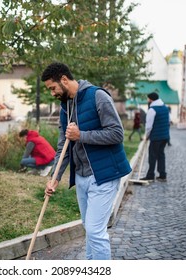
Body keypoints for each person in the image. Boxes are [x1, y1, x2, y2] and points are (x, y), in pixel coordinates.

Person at [41, 62, 132, 260]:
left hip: (105, 174)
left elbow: (117, 134)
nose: (52, 93)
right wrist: (55, 178)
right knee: (89, 229)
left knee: (95, 231)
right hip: (82, 177)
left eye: (53, 88)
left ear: (64, 80)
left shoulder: (98, 96)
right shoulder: (66, 106)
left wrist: (81, 135)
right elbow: (62, 147)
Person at [140, 92, 170, 182]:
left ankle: (150, 175)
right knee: (161, 155)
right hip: (165, 136)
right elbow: (168, 121)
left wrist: (146, 135)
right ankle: (162, 175)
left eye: (148, 98)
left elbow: (149, 126)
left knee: (152, 156)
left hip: (156, 137)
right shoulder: (165, 107)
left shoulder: (152, 110)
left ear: (151, 99)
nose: (147, 100)